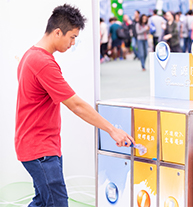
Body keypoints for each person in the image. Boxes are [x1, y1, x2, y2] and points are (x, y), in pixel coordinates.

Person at [15, 4, 134, 207]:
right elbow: (76, 105)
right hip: (40, 150)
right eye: (72, 37)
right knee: (57, 203)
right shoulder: (43, 62)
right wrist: (112, 130)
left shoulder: (30, 55)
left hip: (36, 146)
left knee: (43, 202)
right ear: (57, 32)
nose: (73, 43)